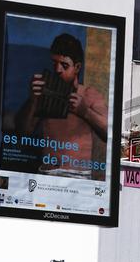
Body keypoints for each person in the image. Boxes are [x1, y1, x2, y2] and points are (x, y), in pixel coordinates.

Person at [15, 33, 108, 179]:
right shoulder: (43, 93)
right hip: (46, 173)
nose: (57, 70)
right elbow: (23, 132)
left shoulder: (89, 94)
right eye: (55, 63)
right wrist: (33, 100)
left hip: (78, 176)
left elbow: (110, 132)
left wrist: (85, 112)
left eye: (64, 65)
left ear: (77, 67)